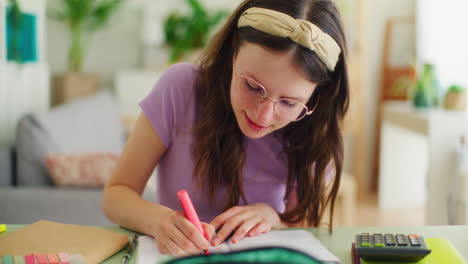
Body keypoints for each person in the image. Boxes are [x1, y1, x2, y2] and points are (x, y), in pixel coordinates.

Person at [102, 0, 349, 256]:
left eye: (289, 102)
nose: (263, 116)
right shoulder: (181, 90)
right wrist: (157, 221)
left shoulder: (316, 128)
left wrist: (274, 217)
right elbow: (116, 196)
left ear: (316, 96)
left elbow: (304, 226)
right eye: (253, 86)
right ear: (233, 52)